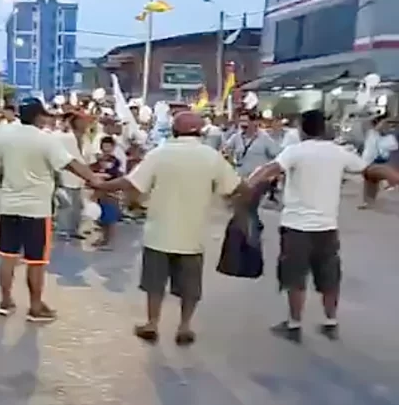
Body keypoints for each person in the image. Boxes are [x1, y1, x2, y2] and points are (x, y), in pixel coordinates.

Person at [96, 111, 249, 345]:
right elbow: (237, 188)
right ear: (200, 132)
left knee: (154, 283)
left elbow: (131, 182)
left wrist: (101, 184)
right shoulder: (211, 157)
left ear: (174, 131)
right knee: (190, 287)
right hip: (193, 234)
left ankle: (152, 323)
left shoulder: (159, 154)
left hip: (159, 233)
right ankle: (184, 326)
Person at [249, 109, 399, 342]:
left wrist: (245, 187)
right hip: (327, 227)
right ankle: (330, 322)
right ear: (324, 128)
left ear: (302, 129)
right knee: (330, 277)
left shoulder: (295, 151)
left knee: (295, 278)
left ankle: (294, 324)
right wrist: (390, 175)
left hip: (296, 227)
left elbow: (270, 170)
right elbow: (367, 171)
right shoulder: (338, 153)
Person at [0, 98, 100, 322]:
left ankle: (5, 302)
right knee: (36, 261)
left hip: (9, 206)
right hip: (36, 209)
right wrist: (93, 178)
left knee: (7, 257)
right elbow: (70, 163)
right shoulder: (46, 140)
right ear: (37, 116)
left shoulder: (4, 136)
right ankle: (35, 307)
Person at [54, 109, 94, 240]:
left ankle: (74, 229)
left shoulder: (86, 139)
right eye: (82, 121)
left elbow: (89, 159)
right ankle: (63, 229)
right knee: (66, 205)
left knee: (78, 206)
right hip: (66, 176)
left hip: (81, 178)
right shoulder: (63, 137)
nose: (85, 124)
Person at [359, 113, 398, 209]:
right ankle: (368, 202)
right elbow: (366, 123)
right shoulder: (371, 133)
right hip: (371, 163)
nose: (386, 126)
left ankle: (369, 201)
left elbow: (392, 147)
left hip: (385, 164)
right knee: (370, 181)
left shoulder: (391, 137)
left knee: (373, 178)